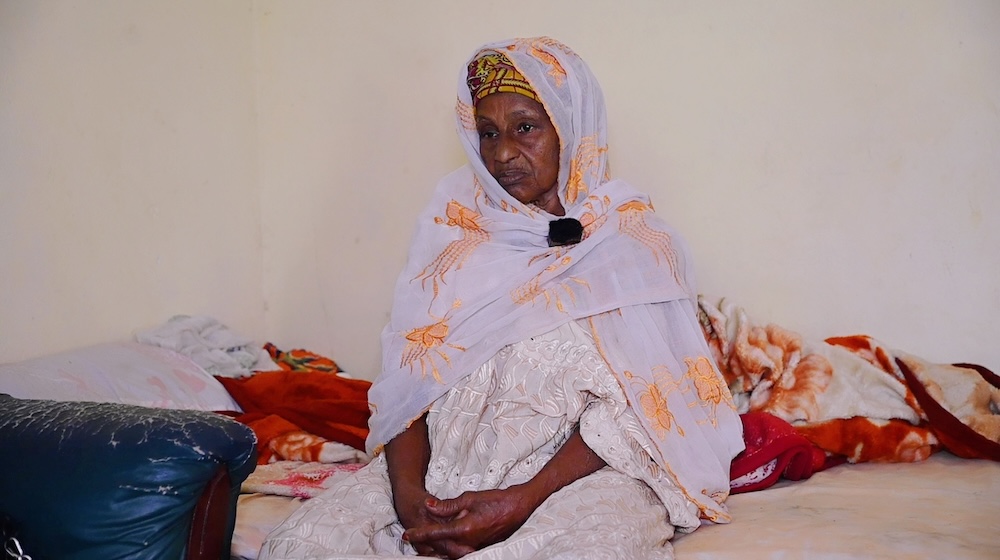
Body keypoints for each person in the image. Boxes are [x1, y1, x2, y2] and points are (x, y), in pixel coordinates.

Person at [260, 37, 745, 560]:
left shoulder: (633, 244)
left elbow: (643, 405)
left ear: (571, 129)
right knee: (300, 545)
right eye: (487, 133)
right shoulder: (454, 231)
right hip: (440, 467)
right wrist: (410, 502)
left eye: (526, 128)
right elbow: (409, 385)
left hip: (578, 477)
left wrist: (518, 503)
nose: (503, 153)